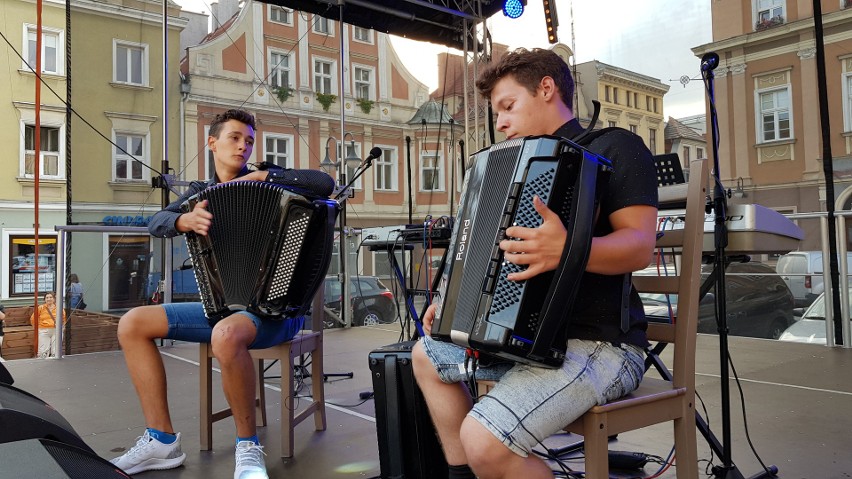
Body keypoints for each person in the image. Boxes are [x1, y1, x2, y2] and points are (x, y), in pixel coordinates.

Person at [411, 48, 659, 479]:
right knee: (425, 355)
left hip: (600, 345)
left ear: (546, 89)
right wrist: (450, 302)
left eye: (508, 106)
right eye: (497, 112)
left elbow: (640, 247)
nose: (501, 121)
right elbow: (479, 253)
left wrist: (568, 250)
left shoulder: (615, 146)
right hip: (525, 344)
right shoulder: (507, 168)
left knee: (484, 439)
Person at [110, 109, 332, 479]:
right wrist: (182, 220)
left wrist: (264, 174)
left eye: (248, 140)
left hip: (276, 313)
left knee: (226, 334)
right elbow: (156, 222)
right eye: (235, 138)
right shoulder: (200, 195)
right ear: (212, 142)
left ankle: (247, 446)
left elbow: (323, 182)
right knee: (133, 323)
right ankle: (161, 441)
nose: (243, 146)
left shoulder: (273, 182)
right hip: (222, 311)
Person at [29, 292, 67, 358]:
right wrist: (37, 328)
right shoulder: (41, 308)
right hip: (44, 330)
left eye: (50, 297)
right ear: (44, 299)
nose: (49, 299)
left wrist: (62, 327)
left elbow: (63, 319)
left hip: (56, 330)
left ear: (54, 299)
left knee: (56, 350)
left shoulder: (59, 308)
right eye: (47, 297)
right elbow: (33, 319)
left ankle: (55, 365)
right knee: (43, 350)